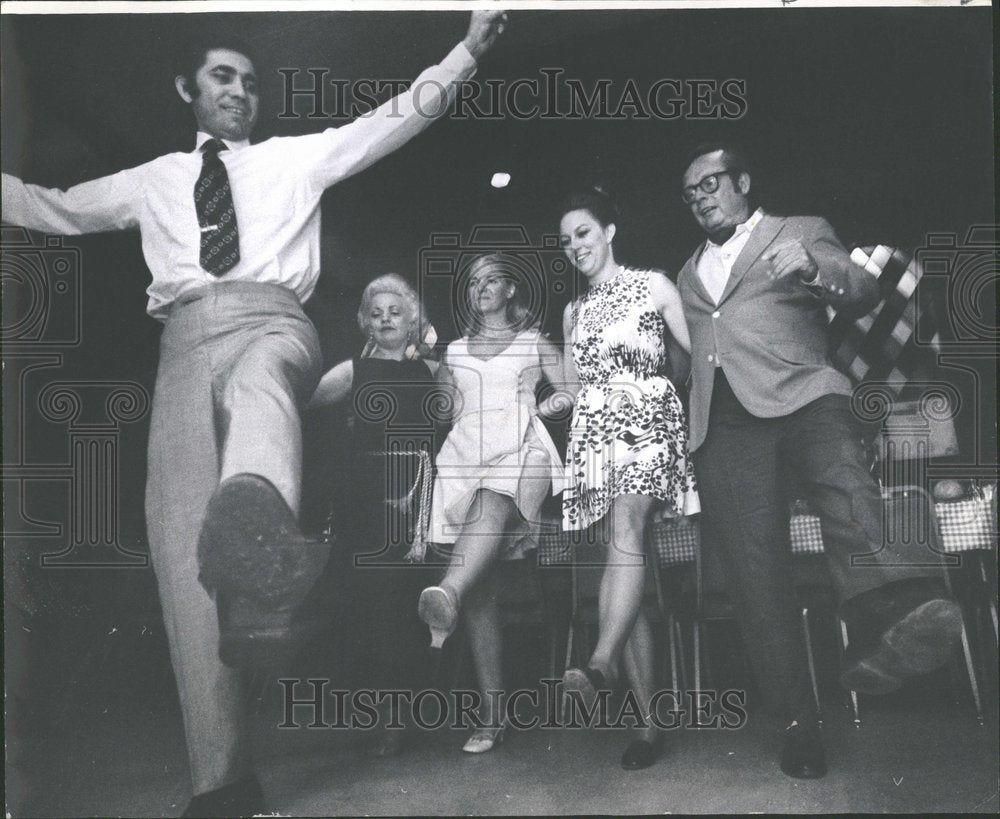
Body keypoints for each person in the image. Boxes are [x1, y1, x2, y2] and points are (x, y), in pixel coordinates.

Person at [0, 12, 507, 816]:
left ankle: (262, 526)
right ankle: (222, 783)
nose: (239, 91)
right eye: (222, 77)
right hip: (181, 344)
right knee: (180, 553)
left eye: (249, 80)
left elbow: (396, 117)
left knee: (262, 387)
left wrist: (467, 51)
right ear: (188, 89)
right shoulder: (151, 178)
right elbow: (49, 205)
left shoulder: (292, 160)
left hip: (272, 321)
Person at [676, 141, 963, 780]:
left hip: (806, 395)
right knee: (755, 578)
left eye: (711, 182)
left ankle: (885, 619)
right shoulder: (686, 273)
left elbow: (860, 286)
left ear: (743, 181)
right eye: (690, 192)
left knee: (844, 485)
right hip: (724, 429)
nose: (700, 196)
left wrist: (810, 267)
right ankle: (797, 723)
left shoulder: (799, 230)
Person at [557, 188, 700, 770]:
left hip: (648, 415)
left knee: (626, 531)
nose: (575, 248)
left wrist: (698, 428)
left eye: (583, 234)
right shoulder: (572, 312)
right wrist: (545, 399)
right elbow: (572, 385)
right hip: (593, 432)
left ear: (610, 231)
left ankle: (599, 663)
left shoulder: (655, 285)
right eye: (565, 241)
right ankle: (646, 726)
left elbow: (699, 356)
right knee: (627, 563)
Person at [417, 253, 566, 754]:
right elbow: (443, 408)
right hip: (465, 451)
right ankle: (492, 716)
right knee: (480, 590)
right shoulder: (455, 350)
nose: (482, 288)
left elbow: (573, 390)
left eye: (492, 281)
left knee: (492, 496)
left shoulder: (533, 341)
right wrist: (429, 364)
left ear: (509, 290)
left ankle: (446, 593)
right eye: (474, 282)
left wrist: (545, 397)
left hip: (520, 449)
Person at [307, 273, 441, 758]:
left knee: (402, 609)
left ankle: (400, 718)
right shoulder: (351, 371)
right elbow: (299, 400)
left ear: (412, 321)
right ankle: (382, 717)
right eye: (377, 312)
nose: (386, 318)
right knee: (368, 608)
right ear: (365, 321)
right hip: (362, 501)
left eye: (396, 311)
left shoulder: (430, 371)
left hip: (412, 505)